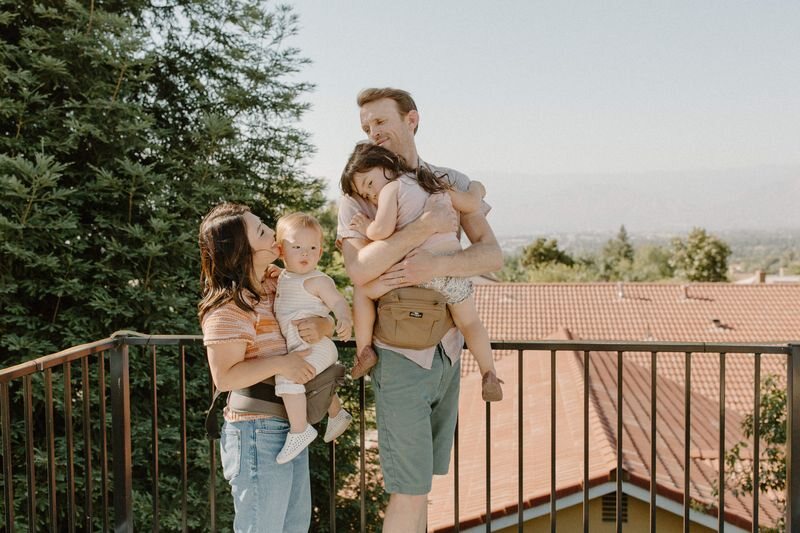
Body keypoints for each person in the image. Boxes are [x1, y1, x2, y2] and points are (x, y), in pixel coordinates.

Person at [336, 88, 503, 533]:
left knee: (421, 485)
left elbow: (492, 256)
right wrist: (424, 228)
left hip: (447, 354)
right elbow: (359, 269)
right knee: (408, 490)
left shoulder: (447, 180)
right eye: (366, 127)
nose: (373, 132)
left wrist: (438, 265)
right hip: (399, 357)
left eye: (380, 121)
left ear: (411, 119)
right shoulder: (358, 192)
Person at [199, 202, 335, 533]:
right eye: (261, 231)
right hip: (256, 431)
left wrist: (324, 325)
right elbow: (224, 377)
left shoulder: (276, 283)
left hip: (290, 425)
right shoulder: (227, 309)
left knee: (294, 527)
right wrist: (282, 363)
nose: (273, 233)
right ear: (242, 250)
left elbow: (320, 316)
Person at [341, 143, 503, 402]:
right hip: (452, 270)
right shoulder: (434, 181)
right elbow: (470, 202)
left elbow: (383, 230)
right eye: (366, 194)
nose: (371, 195)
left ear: (385, 165)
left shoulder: (391, 188)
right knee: (470, 322)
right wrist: (477, 187)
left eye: (369, 184)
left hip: (417, 271)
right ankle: (489, 373)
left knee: (364, 291)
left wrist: (366, 227)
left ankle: (364, 351)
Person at [273, 212, 353, 464]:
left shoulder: (317, 280)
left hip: (316, 345)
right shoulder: (282, 277)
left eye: (312, 248)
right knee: (311, 379)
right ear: (281, 250)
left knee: (289, 375)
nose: (305, 253)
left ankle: (300, 430)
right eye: (296, 247)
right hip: (303, 345)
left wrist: (344, 319)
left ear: (320, 253)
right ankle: (337, 413)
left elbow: (338, 302)